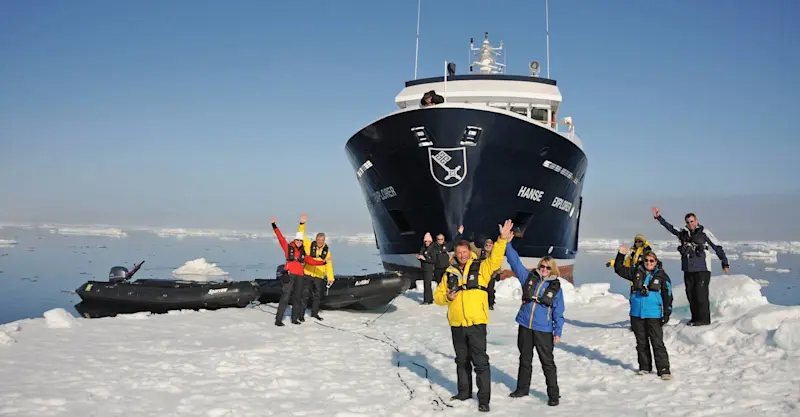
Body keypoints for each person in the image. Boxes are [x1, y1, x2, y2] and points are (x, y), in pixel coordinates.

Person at [434, 219, 513, 413]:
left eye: (464, 252)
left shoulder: (481, 268)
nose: (461, 255)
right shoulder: (449, 273)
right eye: (458, 253)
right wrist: (447, 297)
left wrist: (502, 240)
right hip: (457, 324)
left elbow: (495, 260)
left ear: (470, 253)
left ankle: (484, 399)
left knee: (480, 362)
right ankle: (464, 392)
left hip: (476, 323)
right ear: (455, 254)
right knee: (461, 360)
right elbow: (437, 297)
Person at [504, 235, 564, 406]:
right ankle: (522, 388)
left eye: (547, 268)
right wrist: (507, 243)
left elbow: (559, 311)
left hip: (543, 329)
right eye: (542, 266)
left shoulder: (556, 288)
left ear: (552, 270)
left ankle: (553, 394)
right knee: (525, 358)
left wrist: (557, 331)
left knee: (547, 363)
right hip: (525, 325)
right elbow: (515, 263)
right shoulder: (529, 278)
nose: (544, 269)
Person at [651, 207, 729, 326]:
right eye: (688, 222)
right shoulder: (683, 233)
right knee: (691, 294)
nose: (690, 224)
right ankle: (695, 318)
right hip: (688, 269)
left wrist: (724, 262)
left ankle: (704, 320)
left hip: (702, 269)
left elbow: (717, 246)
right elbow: (670, 228)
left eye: (692, 221)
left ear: (696, 221)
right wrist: (658, 217)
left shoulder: (704, 233)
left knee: (701, 295)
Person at [613, 247, 673, 380]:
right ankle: (644, 367)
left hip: (654, 314)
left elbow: (667, 294)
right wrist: (621, 255)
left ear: (656, 261)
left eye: (651, 261)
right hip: (637, 313)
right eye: (646, 260)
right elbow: (619, 269)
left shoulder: (662, 276)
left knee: (657, 342)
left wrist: (667, 312)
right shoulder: (636, 272)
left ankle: (663, 369)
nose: (648, 263)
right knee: (641, 342)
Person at [271, 215, 325, 326]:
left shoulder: (303, 252)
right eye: (298, 240)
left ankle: (294, 319)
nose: (299, 242)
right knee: (285, 297)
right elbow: (280, 238)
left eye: (301, 241)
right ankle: (278, 320)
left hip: (300, 276)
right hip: (290, 275)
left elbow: (310, 260)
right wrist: (274, 226)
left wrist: (322, 262)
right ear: (295, 240)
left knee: (297, 297)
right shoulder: (288, 248)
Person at [606, 234, 652, 331]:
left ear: (643, 242)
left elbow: (652, 264)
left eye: (640, 241)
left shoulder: (647, 252)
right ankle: (635, 324)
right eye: (636, 241)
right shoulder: (632, 253)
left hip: (644, 282)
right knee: (634, 302)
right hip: (634, 280)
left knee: (644, 303)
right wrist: (613, 263)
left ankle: (646, 324)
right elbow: (625, 264)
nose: (638, 243)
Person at [297, 217, 334, 321]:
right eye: (318, 240)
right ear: (316, 239)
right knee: (305, 295)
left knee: (317, 296)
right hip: (308, 274)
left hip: (319, 276)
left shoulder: (327, 252)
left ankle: (314, 313)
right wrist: (302, 224)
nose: (319, 242)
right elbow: (301, 235)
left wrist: (331, 277)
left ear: (324, 240)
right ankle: (301, 315)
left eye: (321, 240)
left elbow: (329, 265)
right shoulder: (309, 245)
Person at [416, 233, 437, 303]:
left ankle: (427, 300)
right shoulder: (423, 248)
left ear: (431, 241)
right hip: (424, 268)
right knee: (426, 284)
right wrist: (419, 257)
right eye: (425, 241)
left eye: (428, 241)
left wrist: (424, 259)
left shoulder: (432, 249)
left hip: (429, 269)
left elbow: (433, 260)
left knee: (427, 284)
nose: (427, 242)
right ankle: (429, 299)